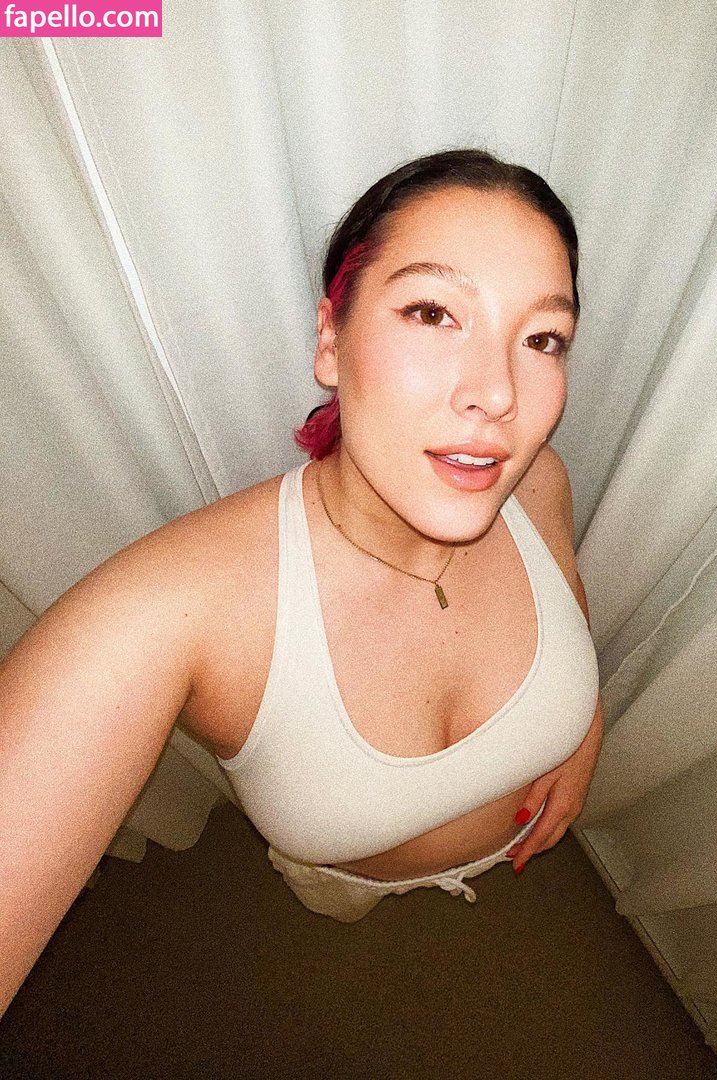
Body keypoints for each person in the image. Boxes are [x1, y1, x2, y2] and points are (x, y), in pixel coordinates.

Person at [0, 149, 603, 1013]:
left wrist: (582, 734)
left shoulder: (539, 483)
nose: (497, 394)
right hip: (347, 884)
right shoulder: (169, 612)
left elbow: (571, 605)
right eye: (433, 312)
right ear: (330, 339)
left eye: (542, 339)